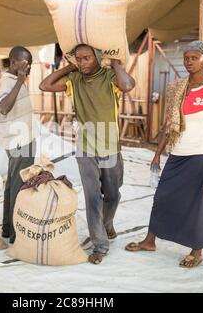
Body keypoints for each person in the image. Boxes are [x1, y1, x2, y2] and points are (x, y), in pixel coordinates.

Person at [125, 41, 203, 268]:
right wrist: (157, 154)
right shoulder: (177, 88)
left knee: (198, 204)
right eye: (186, 58)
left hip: (202, 155)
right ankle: (150, 241)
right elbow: (168, 125)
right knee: (162, 197)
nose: (189, 62)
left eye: (194, 58)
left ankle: (197, 251)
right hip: (178, 153)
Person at [39, 44, 135, 264]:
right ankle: (100, 245)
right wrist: (68, 67)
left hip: (110, 146)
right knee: (93, 198)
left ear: (98, 58)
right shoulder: (74, 80)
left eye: (86, 58)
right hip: (85, 148)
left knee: (112, 194)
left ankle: (107, 223)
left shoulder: (111, 78)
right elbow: (44, 85)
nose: (82, 62)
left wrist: (117, 64)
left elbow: (128, 85)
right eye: (78, 59)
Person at [0, 46, 38, 243]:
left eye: (29, 64)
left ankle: (7, 229)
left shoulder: (14, 80)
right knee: (18, 185)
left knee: (12, 184)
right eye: (24, 63)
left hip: (18, 139)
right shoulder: (9, 81)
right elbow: (4, 108)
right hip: (19, 142)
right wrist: (20, 81)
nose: (28, 67)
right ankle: (16, 235)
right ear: (13, 62)